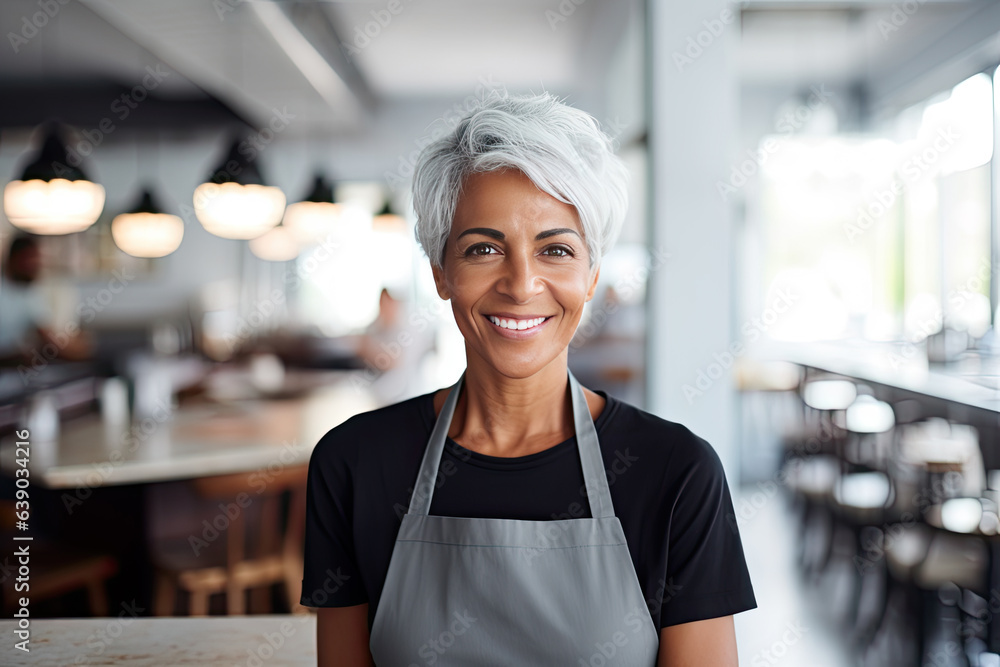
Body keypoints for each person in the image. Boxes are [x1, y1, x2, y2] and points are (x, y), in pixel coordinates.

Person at [301, 93, 756, 666]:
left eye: (556, 249)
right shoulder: (353, 464)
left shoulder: (678, 476)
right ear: (441, 272)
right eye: (484, 248)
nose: (521, 284)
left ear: (591, 275)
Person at [0, 234, 90, 366]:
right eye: (29, 258)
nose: (34, 264)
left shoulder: (32, 294)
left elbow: (48, 336)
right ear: (13, 259)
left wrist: (83, 352)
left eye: (37, 258)